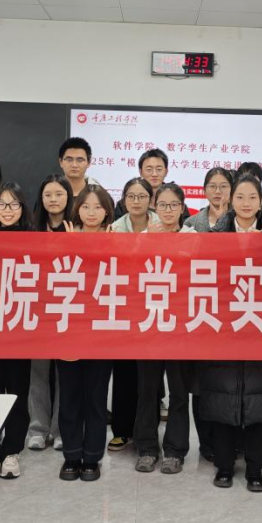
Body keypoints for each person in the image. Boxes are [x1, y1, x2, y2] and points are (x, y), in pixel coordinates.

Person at [201, 174, 262, 492]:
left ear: (261, 201)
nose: (246, 203)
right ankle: (224, 466)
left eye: (252, 197)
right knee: (222, 400)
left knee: (259, 403)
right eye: (240, 197)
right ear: (230, 200)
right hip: (224, 329)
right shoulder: (214, 235)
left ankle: (255, 468)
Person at [132, 183, 192, 474]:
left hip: (181, 324)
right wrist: (148, 243)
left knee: (179, 391)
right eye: (163, 204)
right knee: (147, 389)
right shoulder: (144, 236)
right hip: (150, 322)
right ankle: (146, 448)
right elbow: (132, 271)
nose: (168, 210)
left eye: (174, 205)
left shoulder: (192, 237)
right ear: (155, 206)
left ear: (182, 207)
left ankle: (175, 450)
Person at [58, 185, 116, 482]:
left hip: (102, 332)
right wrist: (70, 247)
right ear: (77, 209)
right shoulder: (63, 238)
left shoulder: (116, 239)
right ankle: (71, 456)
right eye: (85, 206)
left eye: (98, 207)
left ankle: (92, 457)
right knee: (69, 397)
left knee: (95, 397)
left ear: (107, 211)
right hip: (68, 329)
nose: (91, 213)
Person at [0, 182, 35, 479]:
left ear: (23, 208)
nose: (7, 210)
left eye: (14, 204)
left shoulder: (34, 239)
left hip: (19, 328)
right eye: (1, 204)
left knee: (16, 393)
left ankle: (12, 450)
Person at [27, 175, 72, 452]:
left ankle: (60, 429)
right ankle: (38, 428)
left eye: (59, 194)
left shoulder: (76, 226)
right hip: (38, 308)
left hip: (68, 308)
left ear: (68, 196)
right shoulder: (31, 227)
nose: (53, 199)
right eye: (48, 195)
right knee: (38, 373)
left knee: (65, 373)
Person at [106, 178, 152, 452]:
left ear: (150, 199)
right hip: (122, 306)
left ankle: (145, 431)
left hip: (153, 306)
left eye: (142, 196)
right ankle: (122, 429)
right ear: (123, 200)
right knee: (123, 372)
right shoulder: (114, 228)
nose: (136, 201)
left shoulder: (160, 226)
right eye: (131, 196)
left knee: (148, 377)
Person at [183, 167, 232, 232]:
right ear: (205, 190)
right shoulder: (191, 223)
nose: (218, 191)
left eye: (223, 186)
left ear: (232, 190)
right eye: (212, 186)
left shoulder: (240, 220)